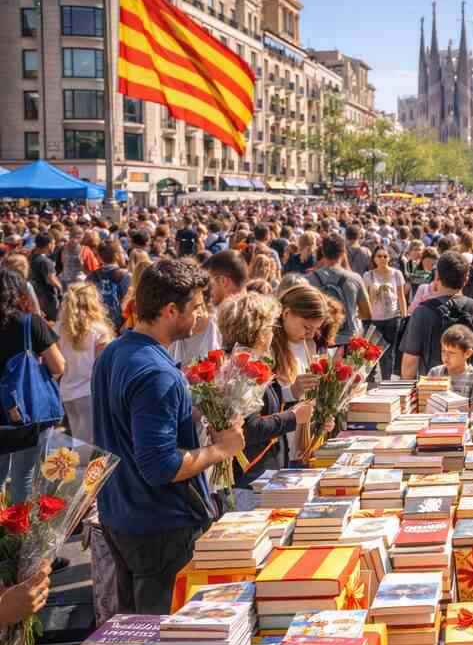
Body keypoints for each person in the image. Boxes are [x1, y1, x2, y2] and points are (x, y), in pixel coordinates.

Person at [92, 259, 245, 615]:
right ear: (169, 309)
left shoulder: (115, 352)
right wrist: (221, 449)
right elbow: (160, 467)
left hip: (122, 515)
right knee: (166, 642)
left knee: (138, 636)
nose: (201, 315)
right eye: (195, 307)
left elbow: (128, 429)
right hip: (160, 525)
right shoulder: (156, 373)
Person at [217, 292, 312, 499]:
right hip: (249, 478)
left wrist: (291, 393)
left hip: (258, 474)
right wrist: (293, 418)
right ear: (258, 330)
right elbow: (248, 429)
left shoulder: (242, 362)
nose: (273, 333)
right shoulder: (241, 369)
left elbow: (260, 406)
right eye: (270, 327)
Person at [0, 269, 65, 504]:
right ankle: (17, 534)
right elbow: (58, 365)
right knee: (24, 476)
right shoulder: (30, 324)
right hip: (28, 410)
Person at [400, 251, 473, 377]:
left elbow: (410, 362)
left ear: (437, 276)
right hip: (472, 390)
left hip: (433, 390)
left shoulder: (422, 312)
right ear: (466, 279)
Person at [271, 284, 327, 466]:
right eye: (306, 326)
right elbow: (261, 403)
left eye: (316, 328)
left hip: (303, 446)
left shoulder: (308, 345)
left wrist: (322, 418)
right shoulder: (269, 346)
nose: (311, 333)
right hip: (277, 450)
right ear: (286, 313)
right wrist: (292, 391)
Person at [57, 282, 114, 445]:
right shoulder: (99, 330)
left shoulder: (59, 328)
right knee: (90, 444)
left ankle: (76, 469)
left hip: (67, 391)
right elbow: (103, 368)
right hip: (90, 391)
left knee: (77, 440)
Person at [306, 235, 370, 348]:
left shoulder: (309, 279)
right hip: (349, 339)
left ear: (323, 252)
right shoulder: (355, 278)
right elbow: (367, 313)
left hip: (319, 338)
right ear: (343, 252)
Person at [363, 245, 406, 382]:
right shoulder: (368, 275)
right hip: (374, 319)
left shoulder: (396, 274)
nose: (382, 259)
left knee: (389, 353)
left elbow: (401, 296)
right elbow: (365, 300)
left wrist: (404, 316)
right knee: (371, 351)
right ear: (374, 258)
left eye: (385, 256)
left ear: (390, 258)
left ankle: (386, 381)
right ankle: (370, 381)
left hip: (393, 317)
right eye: (379, 256)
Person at [427, 324, 473, 408]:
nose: (446, 357)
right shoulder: (434, 373)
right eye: (443, 351)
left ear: (468, 353)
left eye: (451, 353)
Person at [88, 239, 132, 333]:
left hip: (98, 324)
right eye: (122, 252)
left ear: (100, 257)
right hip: (119, 326)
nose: (124, 254)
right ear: (117, 255)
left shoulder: (92, 276)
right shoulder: (126, 276)